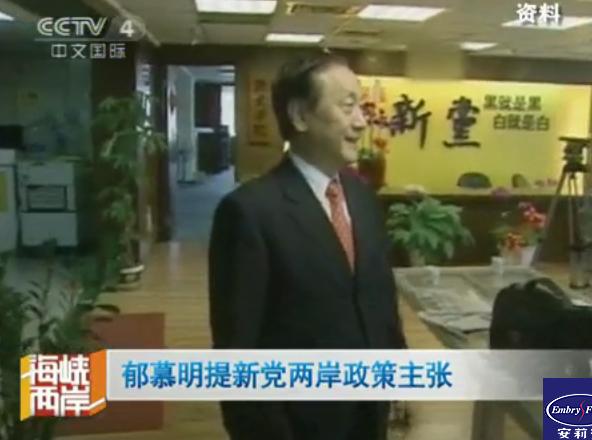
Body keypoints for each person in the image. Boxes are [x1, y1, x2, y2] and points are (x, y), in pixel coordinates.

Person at [208, 53, 407, 440]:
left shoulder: (362, 197)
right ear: (300, 115)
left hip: (370, 411)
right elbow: (236, 349)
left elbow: (381, 298)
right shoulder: (249, 212)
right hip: (297, 421)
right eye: (347, 106)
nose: (361, 121)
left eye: (361, 107)